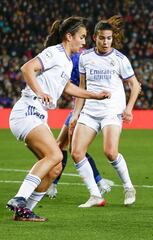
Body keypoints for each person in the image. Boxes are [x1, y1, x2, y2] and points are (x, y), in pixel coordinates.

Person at [6, 16, 111, 222]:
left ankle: (25, 211)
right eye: (81, 37)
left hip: (37, 115)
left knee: (54, 168)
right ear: (68, 36)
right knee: (55, 154)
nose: (84, 41)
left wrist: (94, 95)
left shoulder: (66, 60)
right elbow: (27, 68)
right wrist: (39, 92)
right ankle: (19, 198)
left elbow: (67, 88)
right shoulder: (54, 52)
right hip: (27, 110)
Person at [70, 15, 141, 208]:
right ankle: (95, 195)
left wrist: (129, 108)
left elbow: (135, 85)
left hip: (112, 111)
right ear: (95, 37)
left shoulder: (119, 59)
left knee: (110, 152)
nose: (106, 41)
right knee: (76, 152)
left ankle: (128, 187)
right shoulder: (85, 57)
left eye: (109, 38)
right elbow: (82, 88)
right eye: (102, 38)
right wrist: (75, 114)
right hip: (90, 112)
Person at [46, 51, 113, 199]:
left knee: (73, 149)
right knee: (63, 146)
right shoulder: (77, 58)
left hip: (85, 107)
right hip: (80, 105)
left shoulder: (77, 59)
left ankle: (99, 183)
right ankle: (54, 185)